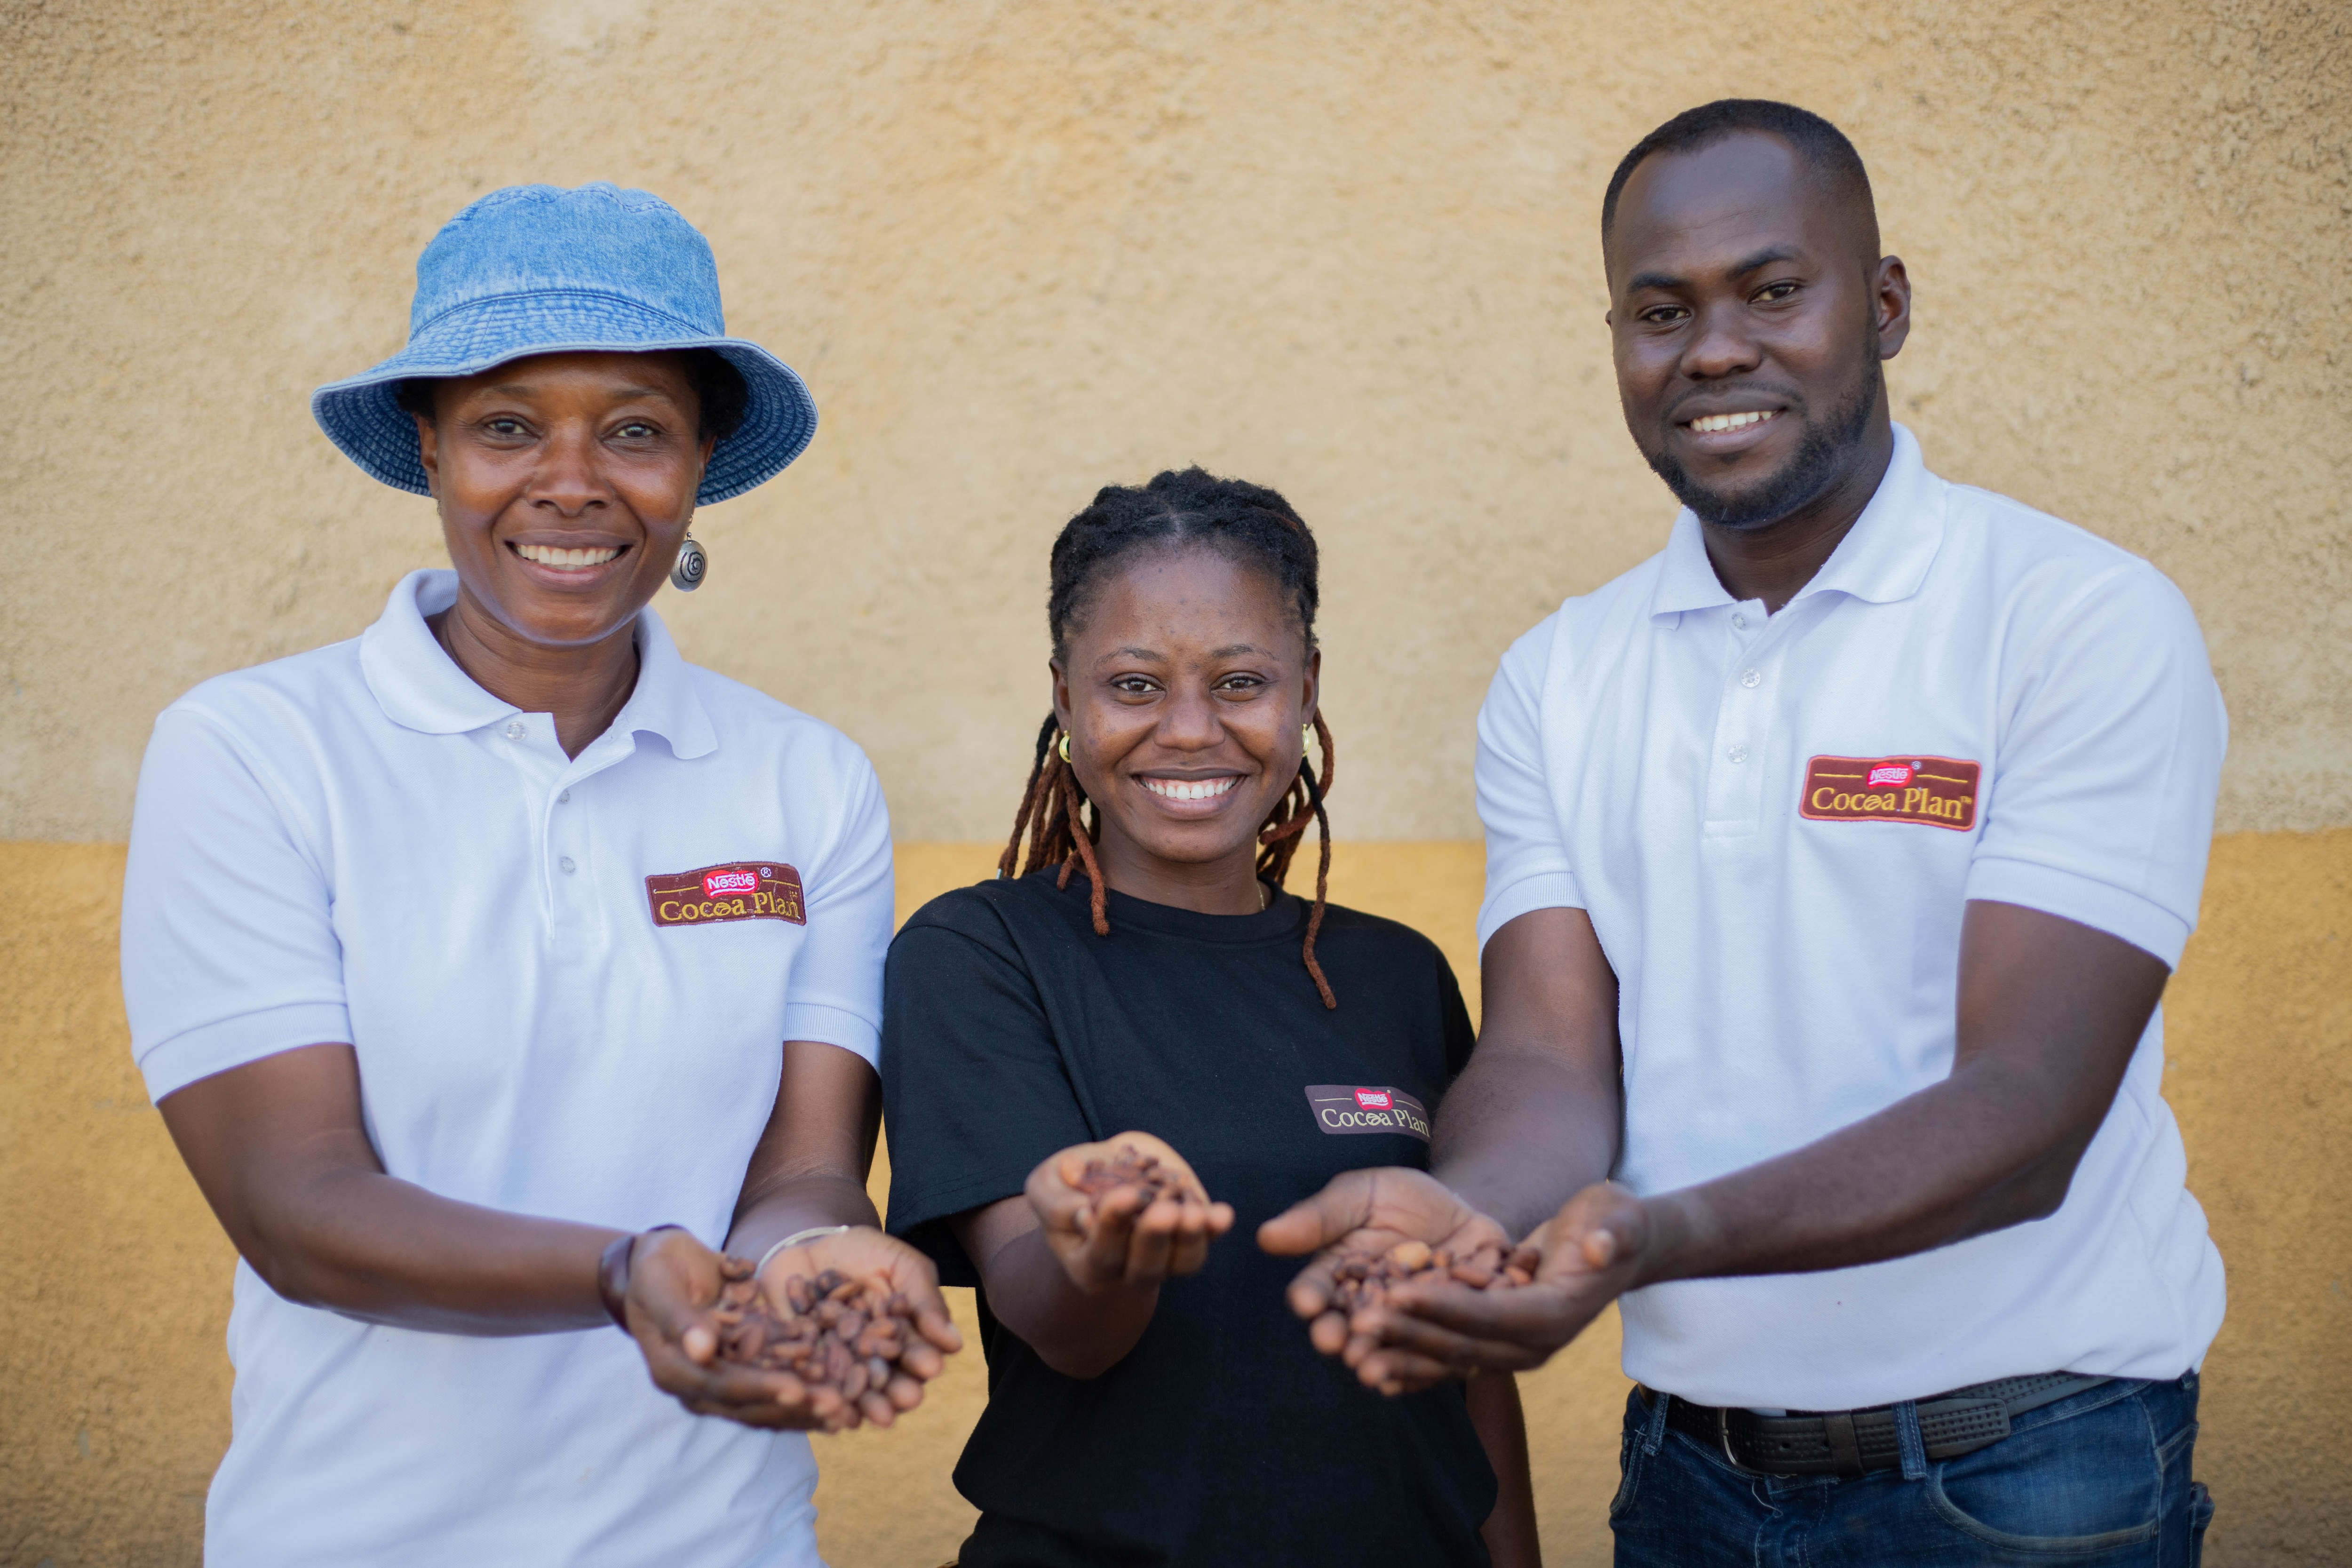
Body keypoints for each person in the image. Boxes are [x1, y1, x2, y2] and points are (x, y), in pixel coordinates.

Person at [1264, 100, 2224, 1562]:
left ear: (1885, 305)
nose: (1713, 350)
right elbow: (1543, 1059)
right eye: (1662, 311)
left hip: (2029, 1467)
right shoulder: (1563, 674)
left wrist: (1648, 1236)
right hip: (1692, 1477)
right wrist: (1468, 1218)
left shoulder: (2072, 621)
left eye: (1774, 290)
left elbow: (2028, 1108)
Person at [120, 182, 959, 1567]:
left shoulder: (807, 779)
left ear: (698, 463)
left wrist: (820, 1262)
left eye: (634, 429)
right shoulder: (257, 751)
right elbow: (299, 1204)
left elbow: (804, 1164)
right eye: (509, 425)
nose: (571, 481)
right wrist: (623, 1272)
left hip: (723, 1542)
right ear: (430, 446)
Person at [879, 468, 1541, 1567]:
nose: (1190, 731)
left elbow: (1462, 1347)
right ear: (1063, 694)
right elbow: (1060, 1324)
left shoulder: (1399, 974)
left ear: (1307, 686)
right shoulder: (979, 953)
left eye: (1240, 680)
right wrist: (1116, 1251)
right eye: (1133, 684)